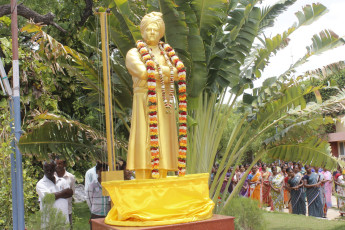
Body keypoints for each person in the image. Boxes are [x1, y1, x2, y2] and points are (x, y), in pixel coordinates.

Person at [125, 12, 182, 179]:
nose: (151, 33)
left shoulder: (167, 54)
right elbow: (143, 73)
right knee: (144, 139)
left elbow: (179, 74)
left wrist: (159, 72)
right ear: (142, 32)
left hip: (164, 100)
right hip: (144, 99)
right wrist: (168, 72)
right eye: (148, 29)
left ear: (161, 33)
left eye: (155, 30)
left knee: (163, 140)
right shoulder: (133, 53)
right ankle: (143, 177)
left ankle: (162, 177)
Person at [86, 163, 111, 229]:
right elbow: (89, 199)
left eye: (105, 171)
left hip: (107, 214)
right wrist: (93, 210)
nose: (103, 173)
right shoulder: (92, 185)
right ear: (97, 172)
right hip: (96, 214)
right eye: (101, 171)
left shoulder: (109, 185)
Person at [55, 157, 76, 226]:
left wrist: (57, 195)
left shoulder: (71, 177)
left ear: (65, 165)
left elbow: (71, 193)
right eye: (56, 163)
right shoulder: (52, 176)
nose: (57, 165)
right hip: (54, 211)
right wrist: (64, 193)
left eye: (60, 163)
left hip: (67, 210)